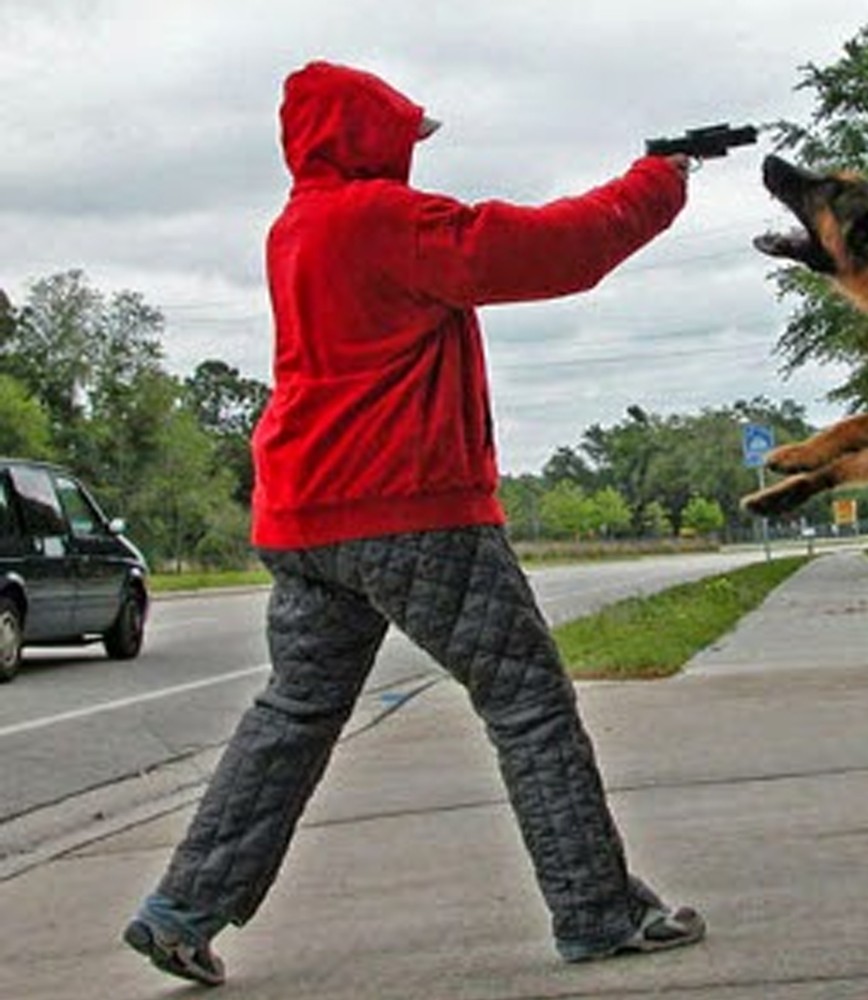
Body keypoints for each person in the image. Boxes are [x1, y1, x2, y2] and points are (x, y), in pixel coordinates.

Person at [122, 60, 705, 985]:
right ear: (364, 138)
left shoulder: (294, 228)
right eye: (403, 138)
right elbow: (555, 249)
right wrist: (659, 181)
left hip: (304, 517)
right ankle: (596, 910)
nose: (412, 154)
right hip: (408, 508)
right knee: (527, 701)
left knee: (296, 710)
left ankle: (183, 908)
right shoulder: (381, 220)